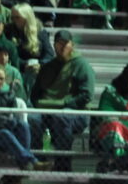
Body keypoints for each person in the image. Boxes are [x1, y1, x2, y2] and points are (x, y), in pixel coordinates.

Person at [29, 30, 95, 169]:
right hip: (47, 110)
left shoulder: (82, 65)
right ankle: (38, 161)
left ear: (72, 45)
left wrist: (64, 103)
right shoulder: (48, 67)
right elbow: (35, 94)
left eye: (66, 43)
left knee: (62, 117)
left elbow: (87, 95)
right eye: (59, 43)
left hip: (75, 112)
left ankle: (63, 163)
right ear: (54, 45)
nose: (63, 46)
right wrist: (42, 105)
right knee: (33, 118)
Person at [0, 65, 38, 171]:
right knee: (5, 133)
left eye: (1, 79)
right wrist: (7, 122)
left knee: (23, 126)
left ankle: (25, 164)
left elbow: (14, 111)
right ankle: (32, 161)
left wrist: (12, 90)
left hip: (6, 127)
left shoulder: (8, 94)